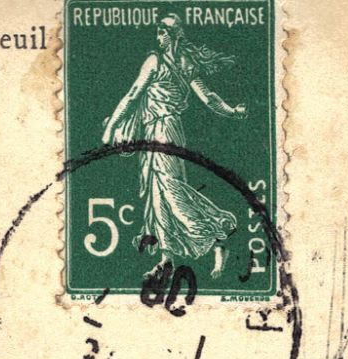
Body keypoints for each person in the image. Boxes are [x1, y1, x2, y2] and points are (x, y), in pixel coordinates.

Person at [101, 14, 248, 278]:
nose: (159, 36)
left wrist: (112, 126)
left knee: (170, 192)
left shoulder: (158, 61)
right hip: (161, 132)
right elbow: (209, 98)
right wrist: (233, 111)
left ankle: (217, 236)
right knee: (157, 195)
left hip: (163, 131)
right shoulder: (182, 63)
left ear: (175, 34)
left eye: (163, 31)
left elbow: (134, 94)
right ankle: (167, 258)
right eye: (158, 31)